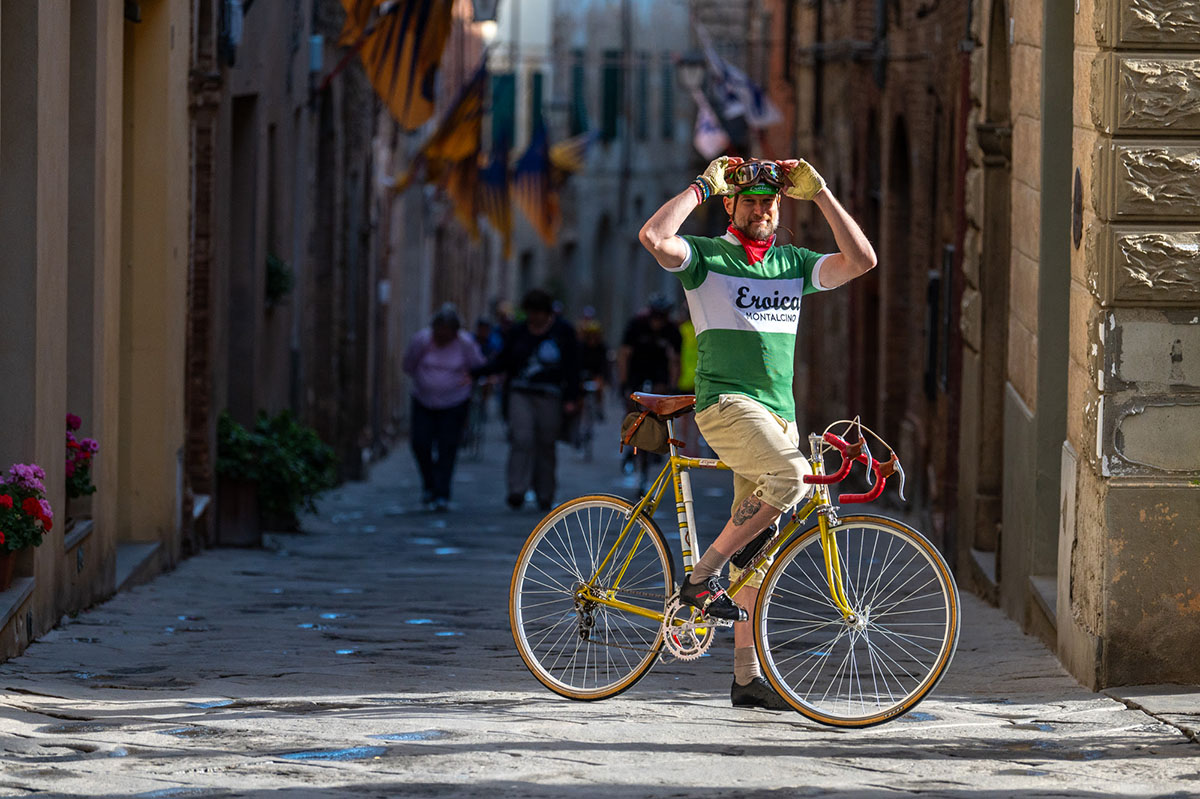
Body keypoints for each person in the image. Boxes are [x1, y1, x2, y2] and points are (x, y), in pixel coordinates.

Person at [638, 155, 877, 709]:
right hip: (726, 405)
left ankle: (745, 679)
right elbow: (654, 235)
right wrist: (701, 184)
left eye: (771, 202)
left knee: (759, 553)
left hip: (779, 415)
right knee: (794, 477)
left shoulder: (793, 263)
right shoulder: (707, 257)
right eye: (751, 201)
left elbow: (862, 260)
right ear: (732, 204)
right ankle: (700, 577)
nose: (763, 210)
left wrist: (819, 192)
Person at [475, 288, 581, 511]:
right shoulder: (518, 332)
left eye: (538, 313)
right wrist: (478, 372)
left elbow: (573, 366)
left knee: (546, 443)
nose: (534, 318)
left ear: (547, 313)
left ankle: (545, 492)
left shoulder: (563, 332)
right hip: (520, 392)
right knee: (521, 439)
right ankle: (517, 489)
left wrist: (572, 396)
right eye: (531, 313)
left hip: (550, 394)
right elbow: (504, 359)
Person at [402, 303, 486, 511]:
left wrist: (469, 380)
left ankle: (441, 493)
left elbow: (478, 365)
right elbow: (409, 364)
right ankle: (429, 484)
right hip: (424, 400)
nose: (442, 335)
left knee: (448, 446)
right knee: (420, 443)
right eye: (439, 331)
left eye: (447, 331)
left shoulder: (465, 343)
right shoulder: (422, 340)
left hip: (454, 402)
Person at [616, 294, 682, 492]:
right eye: (655, 317)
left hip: (658, 375)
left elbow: (675, 361)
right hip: (637, 373)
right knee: (632, 409)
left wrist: (673, 386)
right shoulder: (636, 325)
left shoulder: (672, 331)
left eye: (661, 318)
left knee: (658, 413)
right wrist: (623, 381)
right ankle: (629, 442)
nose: (657, 322)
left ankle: (655, 441)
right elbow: (624, 355)